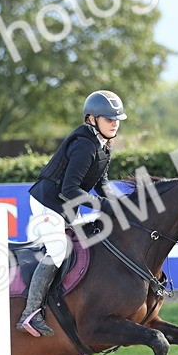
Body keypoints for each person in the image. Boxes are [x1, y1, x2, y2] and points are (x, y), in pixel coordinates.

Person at [17, 89, 126, 337]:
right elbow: (69, 190)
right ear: (91, 119)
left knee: (87, 240)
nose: (114, 123)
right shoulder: (85, 145)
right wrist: (103, 205)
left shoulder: (103, 146)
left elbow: (103, 184)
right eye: (108, 118)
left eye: (116, 118)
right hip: (48, 202)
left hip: (65, 204)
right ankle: (30, 313)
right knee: (57, 250)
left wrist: (124, 203)